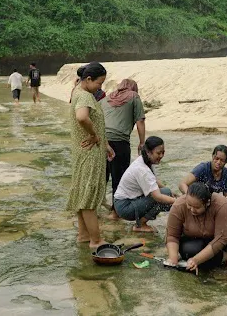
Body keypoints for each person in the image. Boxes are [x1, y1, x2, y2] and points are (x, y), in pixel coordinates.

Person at [66, 62, 116, 249]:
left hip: (82, 153)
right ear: (88, 79)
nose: (100, 88)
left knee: (82, 194)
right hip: (89, 155)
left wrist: (104, 144)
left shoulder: (77, 92)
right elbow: (82, 117)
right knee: (89, 198)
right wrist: (94, 136)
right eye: (99, 84)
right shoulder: (85, 96)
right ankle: (96, 240)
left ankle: (84, 234)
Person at [165, 182, 227, 273]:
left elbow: (221, 239)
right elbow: (172, 235)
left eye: (197, 207)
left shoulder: (221, 205)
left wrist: (196, 260)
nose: (192, 210)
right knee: (189, 251)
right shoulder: (179, 205)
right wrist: (173, 259)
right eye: (189, 205)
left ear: (207, 203)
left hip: (216, 240)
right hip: (193, 242)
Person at [102, 79, 146, 216]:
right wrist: (142, 142)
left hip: (101, 142)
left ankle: (95, 207)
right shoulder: (134, 96)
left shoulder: (106, 98)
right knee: (119, 178)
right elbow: (140, 121)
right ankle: (115, 212)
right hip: (119, 142)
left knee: (102, 177)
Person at [113, 136, 175, 232]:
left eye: (163, 152)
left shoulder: (145, 160)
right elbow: (157, 196)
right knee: (165, 195)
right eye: (158, 153)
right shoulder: (142, 169)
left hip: (125, 202)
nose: (161, 156)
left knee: (167, 192)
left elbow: (153, 181)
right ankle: (140, 225)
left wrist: (174, 194)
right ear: (148, 152)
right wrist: (178, 201)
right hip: (125, 207)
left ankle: (141, 222)